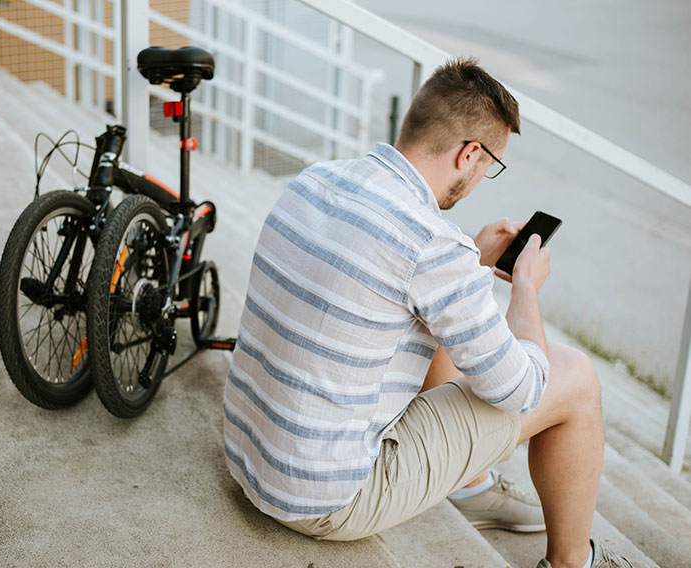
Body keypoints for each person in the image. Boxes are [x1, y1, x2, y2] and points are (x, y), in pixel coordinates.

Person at [222, 58, 630, 568]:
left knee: (436, 327)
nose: (485, 177)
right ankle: (573, 563)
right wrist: (526, 287)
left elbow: (395, 280)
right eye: (491, 165)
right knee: (576, 377)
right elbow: (523, 391)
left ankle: (473, 488)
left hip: (248, 457)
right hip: (324, 501)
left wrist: (471, 261)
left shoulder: (314, 180)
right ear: (469, 154)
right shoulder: (430, 245)